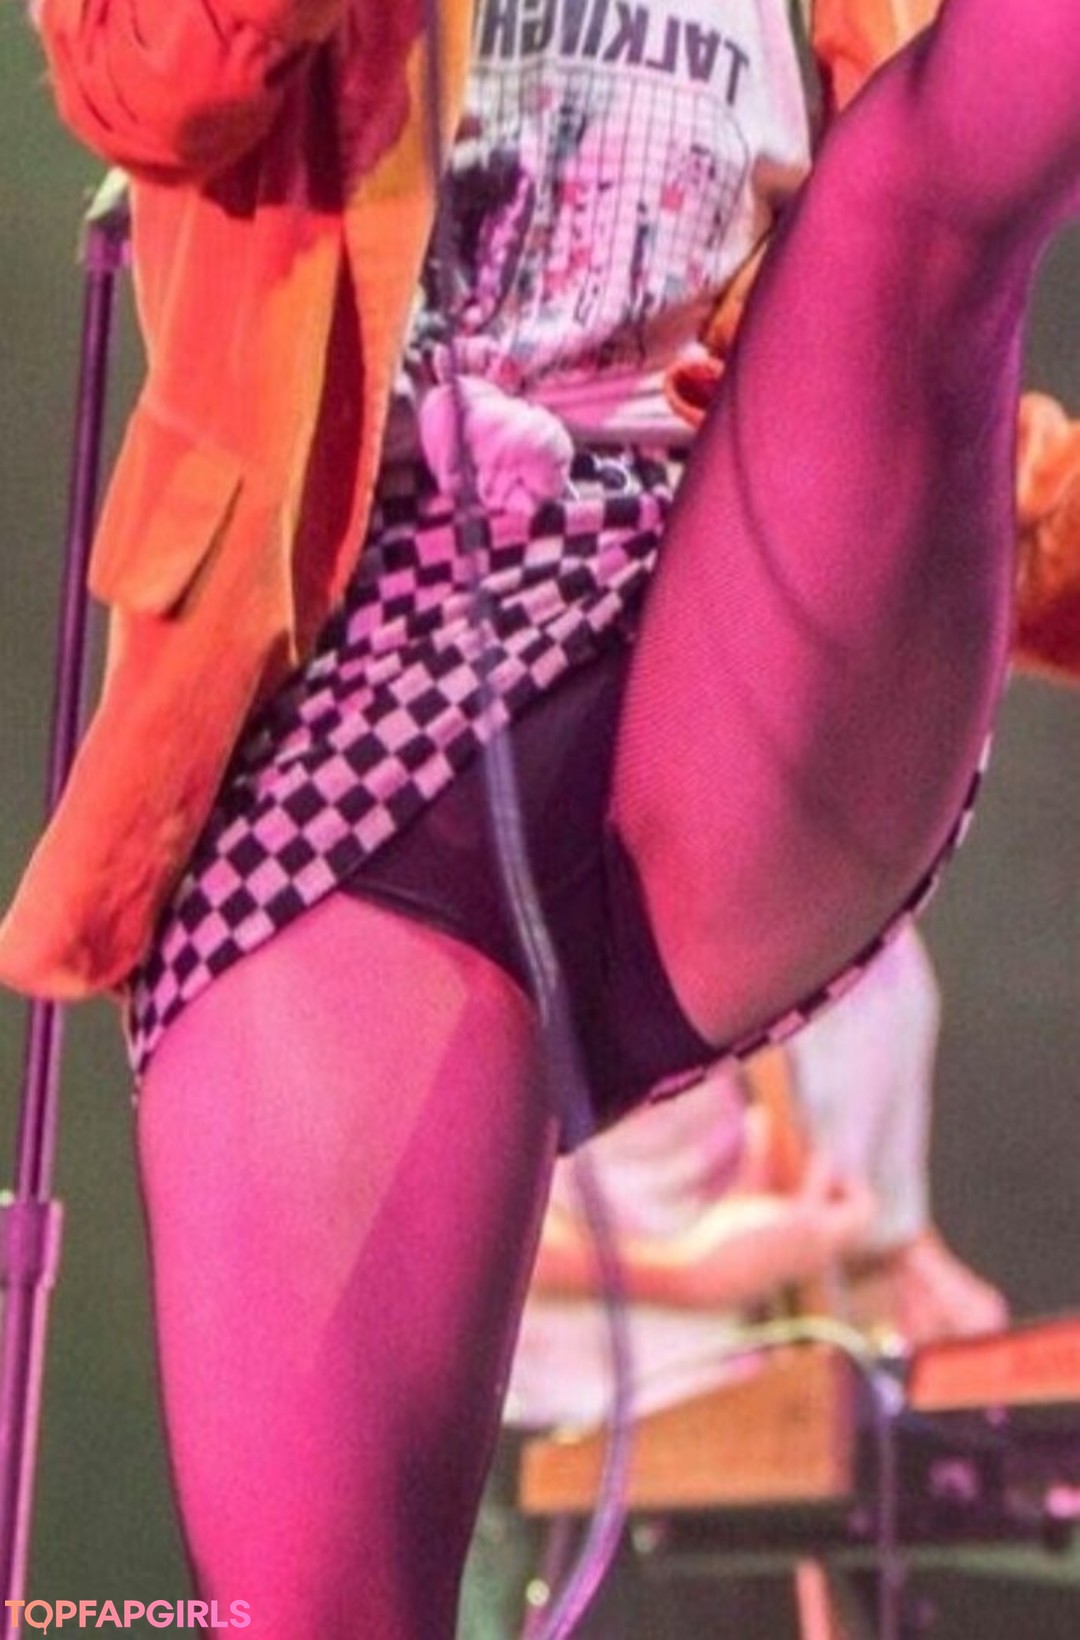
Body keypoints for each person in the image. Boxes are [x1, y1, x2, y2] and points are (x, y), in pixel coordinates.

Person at [6, 0, 1080, 1633]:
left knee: (918, 181)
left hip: (715, 618)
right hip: (350, 699)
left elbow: (912, 373)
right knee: (320, 1604)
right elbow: (156, 80)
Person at [458, 922, 1007, 1639]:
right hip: (570, 1459)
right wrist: (687, 1274)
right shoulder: (594, 921)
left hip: (779, 1472)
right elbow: (451, 1217)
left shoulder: (892, 969)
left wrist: (944, 1307)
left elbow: (875, 1242)